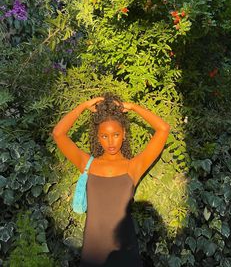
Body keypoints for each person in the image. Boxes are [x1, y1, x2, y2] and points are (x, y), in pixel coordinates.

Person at [52, 92, 170, 267]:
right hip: (93, 253)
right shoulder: (87, 164)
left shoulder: (133, 167)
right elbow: (58, 133)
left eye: (115, 134)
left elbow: (163, 129)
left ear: (124, 133)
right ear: (98, 138)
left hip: (126, 252)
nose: (111, 141)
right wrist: (83, 106)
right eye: (104, 136)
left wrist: (132, 107)